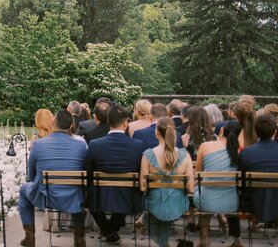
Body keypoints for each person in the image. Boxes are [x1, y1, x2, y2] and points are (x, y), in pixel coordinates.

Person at [18, 109, 88, 247]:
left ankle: (29, 236)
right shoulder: (81, 145)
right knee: (78, 192)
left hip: (46, 197)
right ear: (70, 126)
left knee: (23, 190)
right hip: (74, 198)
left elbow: (31, 176)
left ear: (53, 122)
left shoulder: (38, 144)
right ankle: (79, 239)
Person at [85, 104, 145, 244]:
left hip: (100, 195)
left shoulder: (95, 144)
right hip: (128, 196)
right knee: (125, 194)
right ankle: (111, 231)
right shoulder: (137, 145)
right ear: (125, 123)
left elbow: (88, 171)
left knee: (91, 195)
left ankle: (108, 231)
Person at [139, 117, 194, 247]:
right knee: (165, 205)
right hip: (178, 204)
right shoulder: (185, 155)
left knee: (155, 206)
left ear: (157, 132)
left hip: (154, 203)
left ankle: (145, 222)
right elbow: (191, 188)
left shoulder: (147, 155)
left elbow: (142, 188)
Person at [194, 120, 241, 247]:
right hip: (231, 203)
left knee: (201, 189)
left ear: (221, 131)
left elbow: (198, 173)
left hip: (206, 201)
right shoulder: (237, 151)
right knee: (229, 191)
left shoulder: (205, 146)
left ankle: (204, 238)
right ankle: (237, 240)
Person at [239, 112, 278, 224]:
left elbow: (241, 180)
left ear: (256, 131)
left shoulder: (246, 153)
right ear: (275, 131)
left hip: (253, 204)